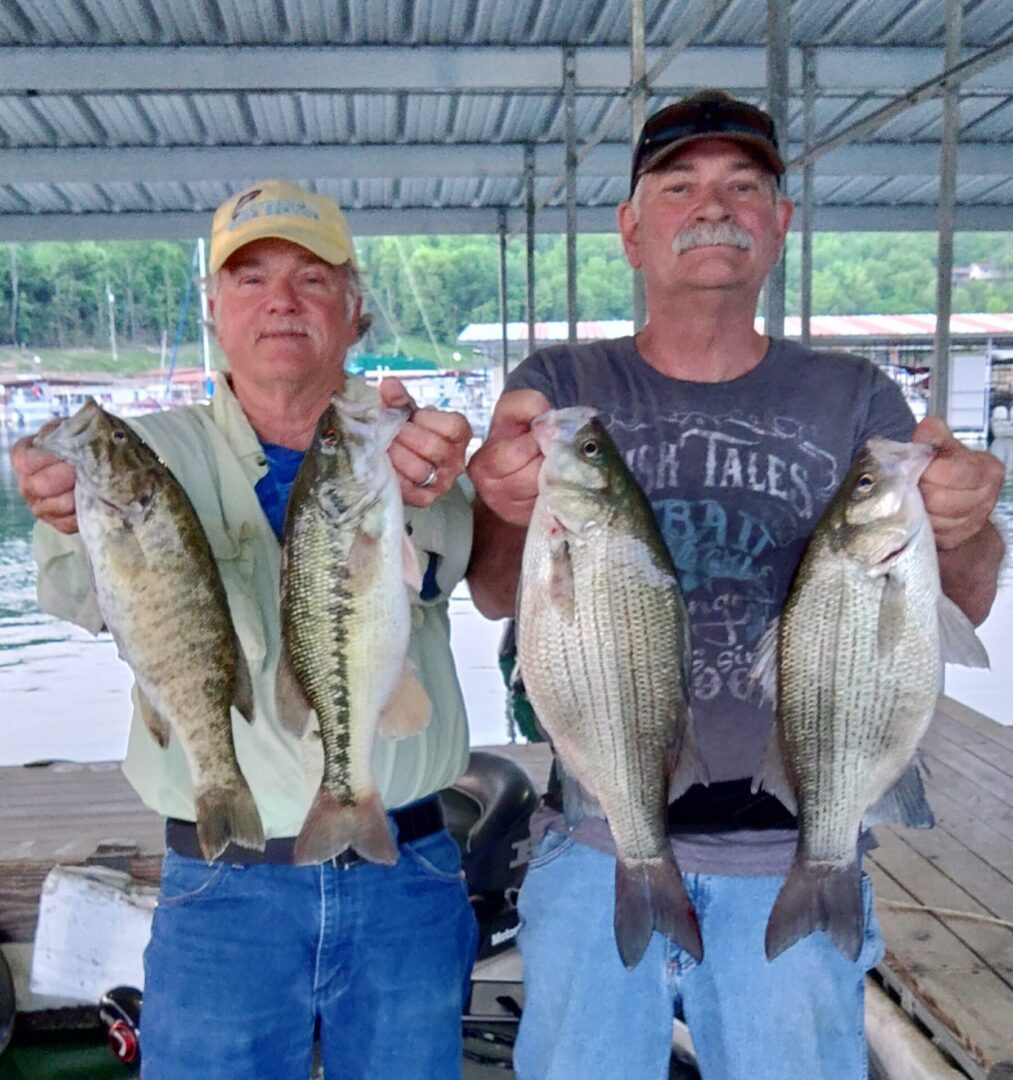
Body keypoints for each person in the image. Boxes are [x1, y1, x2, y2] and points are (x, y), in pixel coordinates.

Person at [466, 90, 1006, 1080]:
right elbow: (501, 596)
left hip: (796, 847)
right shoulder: (560, 384)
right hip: (596, 839)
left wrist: (969, 527)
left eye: (741, 186)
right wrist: (498, 504)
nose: (710, 206)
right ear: (630, 228)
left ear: (778, 224)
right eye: (677, 185)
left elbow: (956, 603)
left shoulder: (857, 399)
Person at [12, 179, 477, 1080]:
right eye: (251, 277)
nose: (282, 301)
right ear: (215, 311)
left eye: (312, 279)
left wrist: (442, 481)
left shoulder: (407, 444)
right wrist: (59, 509)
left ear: (355, 311)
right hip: (222, 880)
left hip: (405, 872)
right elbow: (79, 597)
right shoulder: (148, 453)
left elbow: (455, 566)